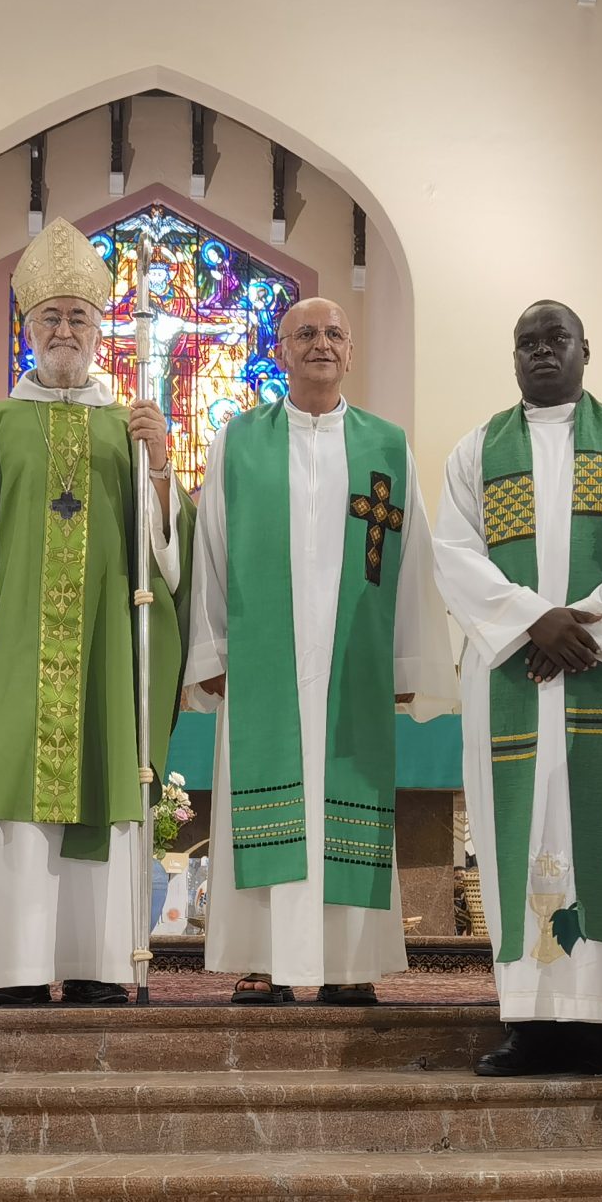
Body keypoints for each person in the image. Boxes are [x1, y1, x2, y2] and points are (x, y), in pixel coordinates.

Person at [0, 219, 190, 1006]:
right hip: (16, 653)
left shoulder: (131, 429)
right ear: (27, 327)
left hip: (105, 657)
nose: (64, 330)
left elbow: (168, 558)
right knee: (16, 811)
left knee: (101, 793)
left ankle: (98, 964)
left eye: (78, 318)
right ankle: (16, 970)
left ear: (100, 332)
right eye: (49, 316)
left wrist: (160, 473)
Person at [183, 297, 455, 1006]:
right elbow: (210, 546)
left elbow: (413, 558)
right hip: (263, 660)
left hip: (350, 665)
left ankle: (348, 961)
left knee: (345, 803)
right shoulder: (238, 440)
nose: (321, 344)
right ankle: (259, 959)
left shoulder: (387, 446)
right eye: (305, 333)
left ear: (352, 351)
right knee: (264, 801)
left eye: (335, 333)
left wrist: (402, 664)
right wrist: (211, 648)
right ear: (281, 351)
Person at [432, 301, 602, 1078]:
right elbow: (455, 554)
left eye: (554, 340)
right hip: (512, 673)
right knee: (517, 836)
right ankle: (528, 1022)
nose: (541, 354)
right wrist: (535, 622)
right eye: (527, 343)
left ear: (584, 350)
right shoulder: (477, 451)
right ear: (514, 358)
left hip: (600, 673)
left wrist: (581, 635)